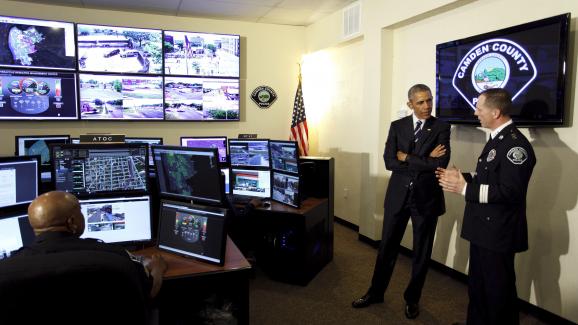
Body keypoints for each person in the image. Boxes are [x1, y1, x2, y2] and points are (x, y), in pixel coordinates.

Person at [437, 88, 536, 325]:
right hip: (484, 229)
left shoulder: (515, 147)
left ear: (496, 112)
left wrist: (465, 189)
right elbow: (490, 178)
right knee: (479, 286)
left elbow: (510, 192)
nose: (475, 113)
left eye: (479, 109)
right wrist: (464, 177)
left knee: (497, 292)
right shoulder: (497, 139)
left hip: (498, 232)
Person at [352, 84, 451, 319]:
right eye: (420, 102)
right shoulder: (398, 126)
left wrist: (407, 157)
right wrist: (424, 159)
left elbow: (441, 163)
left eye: (429, 101)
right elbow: (389, 161)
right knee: (386, 247)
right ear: (410, 104)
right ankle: (375, 292)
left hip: (426, 199)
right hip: (398, 197)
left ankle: (412, 299)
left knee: (421, 253)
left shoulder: (441, 127)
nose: (426, 106)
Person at [14, 191, 168, 299]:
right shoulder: (115, 256)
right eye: (80, 211)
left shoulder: (12, 266)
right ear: (72, 222)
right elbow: (149, 292)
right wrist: (157, 269)